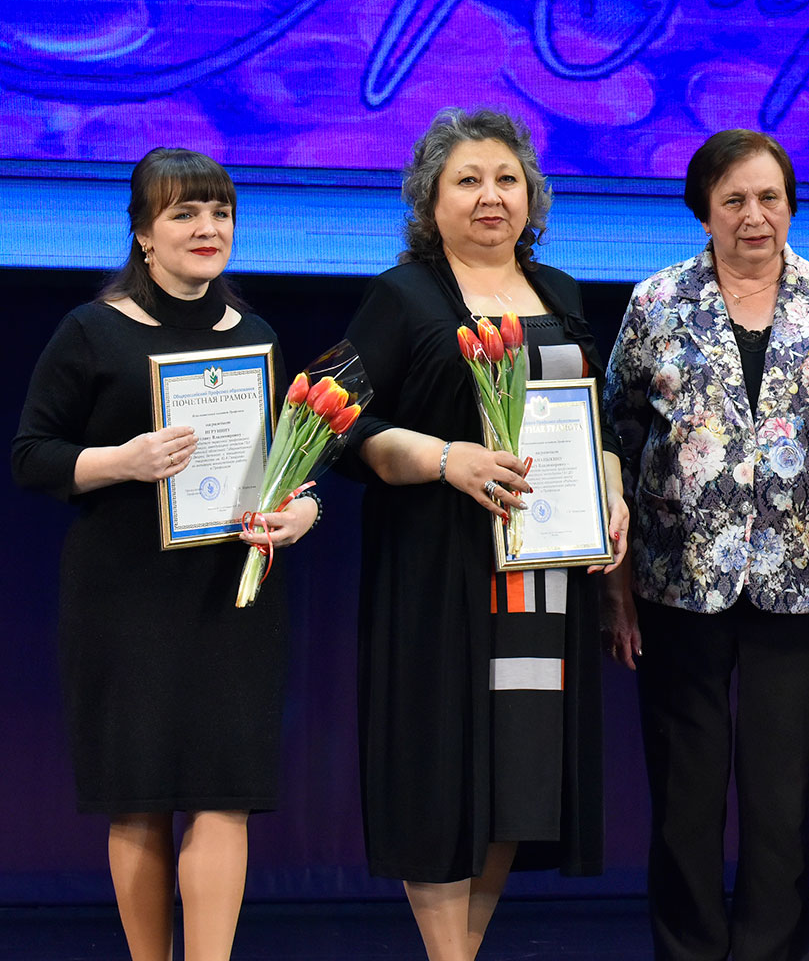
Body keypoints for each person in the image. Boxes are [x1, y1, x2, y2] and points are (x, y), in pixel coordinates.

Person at [12, 147, 319, 961]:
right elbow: (31, 455)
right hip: (126, 598)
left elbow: (286, 462)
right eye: (184, 213)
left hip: (232, 597)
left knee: (224, 794)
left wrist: (302, 511)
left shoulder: (255, 337)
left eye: (220, 212)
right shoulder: (92, 331)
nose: (207, 227)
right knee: (141, 796)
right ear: (144, 234)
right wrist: (122, 460)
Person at [601, 128, 809, 961]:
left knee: (779, 803)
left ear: (791, 205)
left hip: (800, 589)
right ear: (704, 212)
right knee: (685, 801)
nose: (754, 215)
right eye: (733, 199)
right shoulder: (657, 302)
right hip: (675, 586)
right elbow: (612, 447)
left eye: (769, 197)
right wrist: (613, 593)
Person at [342, 109, 629, 961]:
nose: (490, 196)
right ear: (430, 201)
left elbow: (596, 421)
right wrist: (444, 459)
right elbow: (337, 422)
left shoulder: (561, 293)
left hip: (544, 576)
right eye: (467, 181)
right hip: (441, 575)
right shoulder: (404, 297)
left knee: (517, 775)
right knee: (442, 775)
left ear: (531, 195)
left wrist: (611, 491)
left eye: (506, 179)